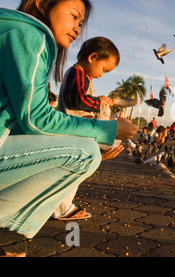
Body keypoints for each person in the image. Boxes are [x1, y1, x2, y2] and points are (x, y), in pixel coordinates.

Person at [0, 0, 138, 255]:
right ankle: (8, 224)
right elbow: (36, 120)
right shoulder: (32, 35)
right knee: (85, 153)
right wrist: (108, 131)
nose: (77, 28)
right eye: (74, 17)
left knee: (87, 150)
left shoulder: (14, 32)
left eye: (80, 23)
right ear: (42, 3)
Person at [54, 36, 123, 221]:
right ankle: (62, 208)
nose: (102, 75)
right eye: (103, 69)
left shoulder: (82, 76)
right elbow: (76, 100)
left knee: (78, 168)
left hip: (77, 131)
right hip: (72, 130)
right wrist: (97, 102)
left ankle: (63, 206)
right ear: (92, 57)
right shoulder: (77, 74)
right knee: (74, 169)